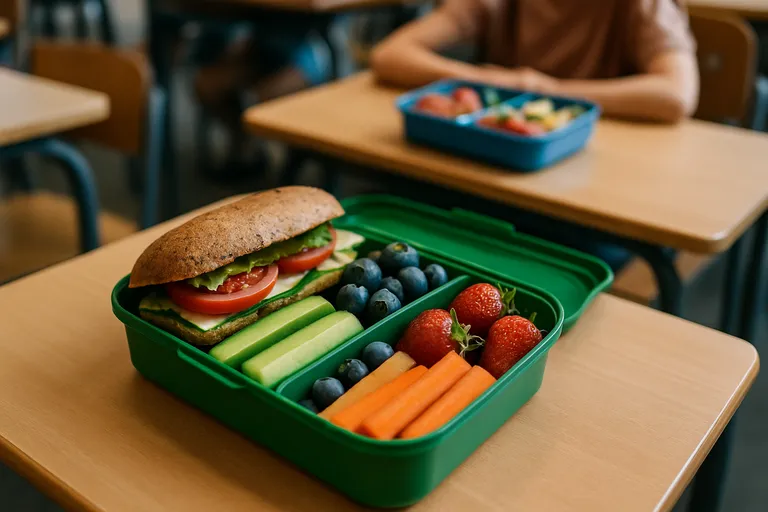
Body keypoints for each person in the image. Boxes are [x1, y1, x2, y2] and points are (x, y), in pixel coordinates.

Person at [371, 0, 699, 123]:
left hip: (594, 199)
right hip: (491, 177)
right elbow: (390, 55)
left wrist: (549, 89)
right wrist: (480, 78)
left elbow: (676, 93)